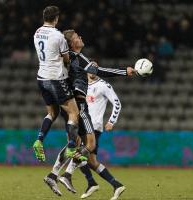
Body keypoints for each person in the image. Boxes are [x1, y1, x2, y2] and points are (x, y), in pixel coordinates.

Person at [42, 29, 136, 197]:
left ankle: (54, 175)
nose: (81, 37)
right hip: (78, 104)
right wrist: (125, 72)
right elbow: (99, 71)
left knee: (79, 146)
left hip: (67, 104)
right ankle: (66, 175)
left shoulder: (66, 58)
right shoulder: (76, 57)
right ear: (71, 43)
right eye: (78, 37)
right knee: (89, 145)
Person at [59, 73, 125, 200]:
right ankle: (115, 185)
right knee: (91, 161)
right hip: (83, 125)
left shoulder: (103, 85)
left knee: (79, 152)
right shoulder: (81, 85)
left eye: (95, 69)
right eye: (89, 69)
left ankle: (68, 175)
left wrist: (112, 121)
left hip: (93, 126)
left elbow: (117, 103)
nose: (92, 72)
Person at [33, 6, 80, 163]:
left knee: (52, 113)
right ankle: (72, 147)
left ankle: (39, 140)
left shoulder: (37, 32)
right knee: (74, 113)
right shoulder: (58, 36)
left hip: (42, 78)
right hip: (56, 78)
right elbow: (66, 58)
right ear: (56, 18)